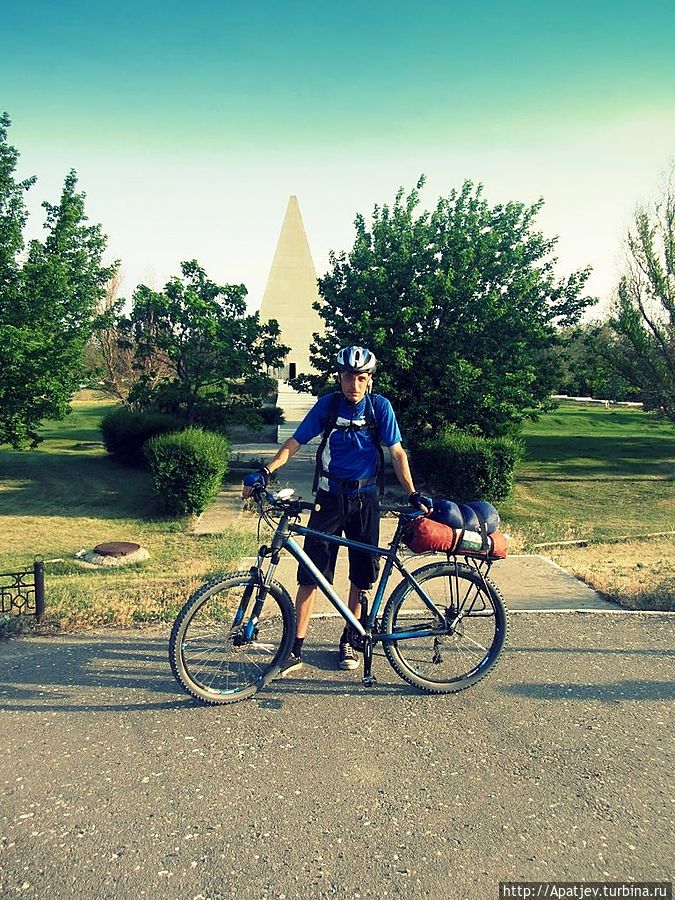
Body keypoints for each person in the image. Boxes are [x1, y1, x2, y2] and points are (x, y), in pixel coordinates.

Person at [242, 345, 432, 675]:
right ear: (339, 377)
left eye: (360, 378)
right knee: (310, 574)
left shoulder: (379, 408)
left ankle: (349, 639)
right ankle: (294, 648)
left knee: (361, 575)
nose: (353, 384)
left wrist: (412, 493)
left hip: (365, 501)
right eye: (348, 377)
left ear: (369, 380)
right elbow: (294, 443)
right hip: (328, 499)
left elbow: (397, 453)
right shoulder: (328, 406)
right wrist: (265, 470)